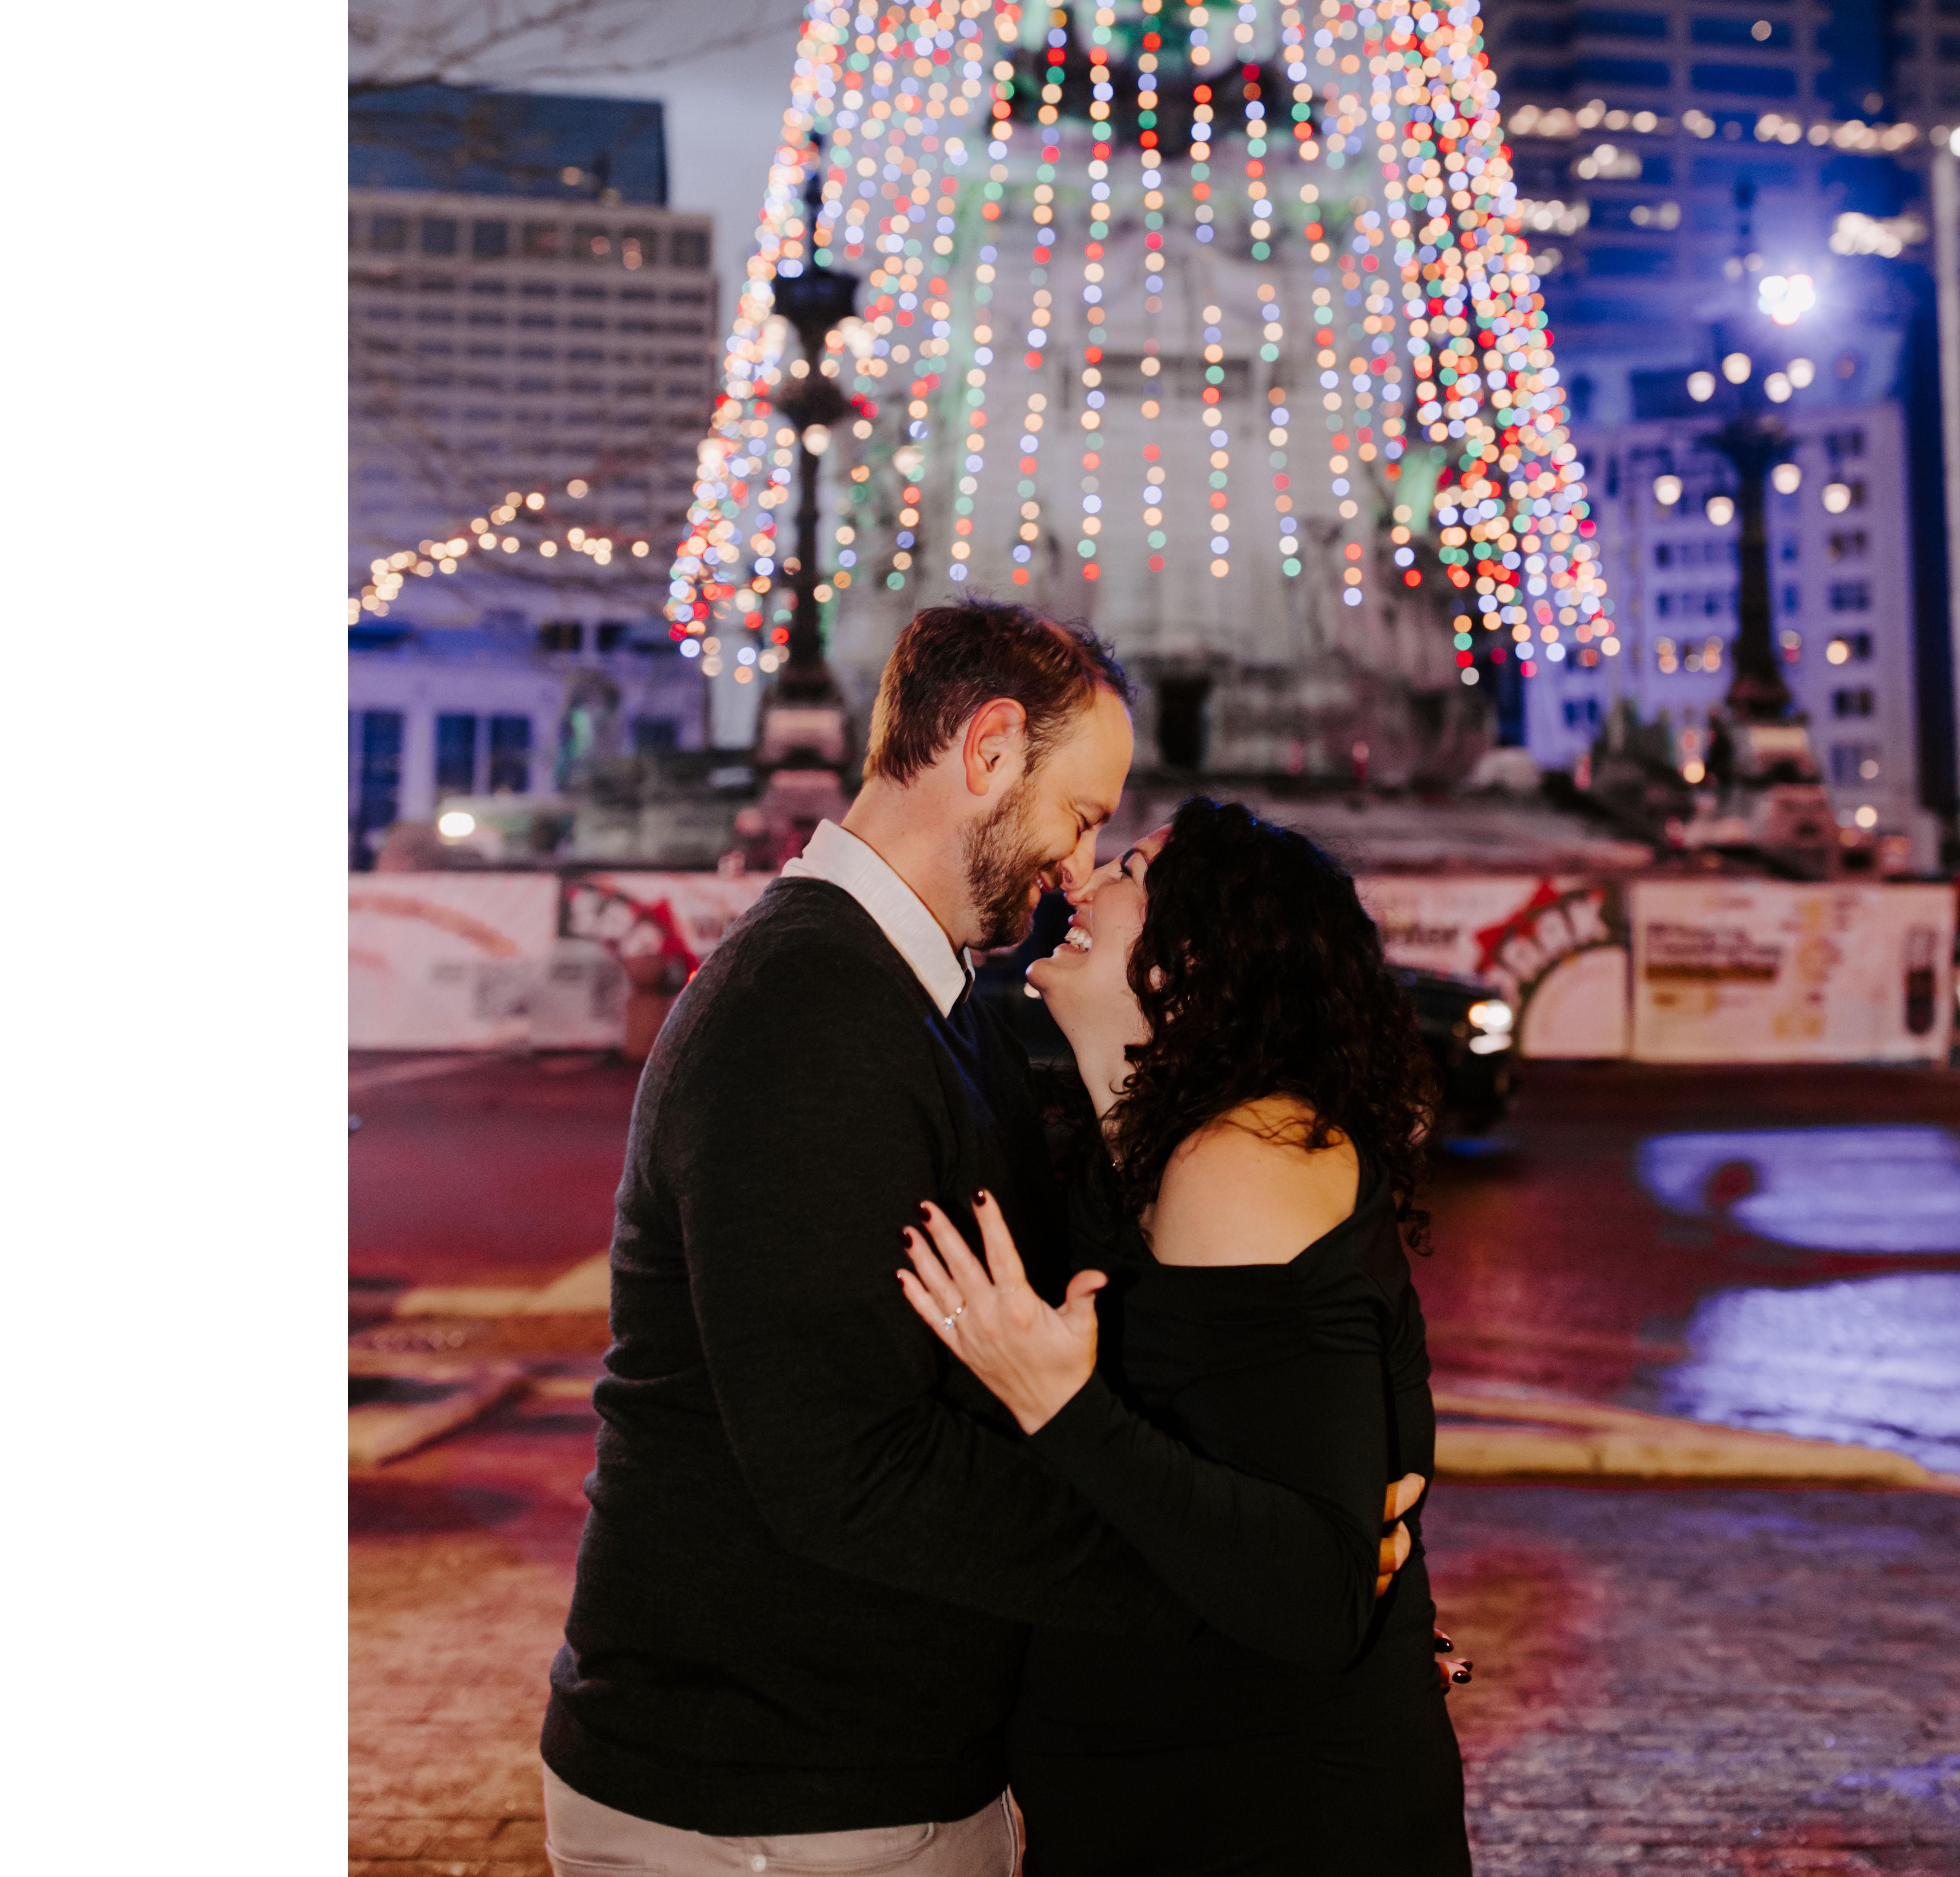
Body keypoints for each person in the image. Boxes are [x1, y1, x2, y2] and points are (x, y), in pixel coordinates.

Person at [539, 603, 1426, 1876]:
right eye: (1081, 813)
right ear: (991, 749)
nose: (1077, 864)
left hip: (843, 1778)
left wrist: (1289, 1556)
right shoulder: (808, 1009)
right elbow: (849, 1466)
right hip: (770, 1794)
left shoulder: (922, 997)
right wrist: (1240, 1592)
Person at [898, 797, 1473, 1876]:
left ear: (1194, 956)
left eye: (1130, 872)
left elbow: (1314, 1593)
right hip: (1169, 1787)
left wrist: (1061, 1406)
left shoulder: (1242, 1160)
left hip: (1267, 1810)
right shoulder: (1131, 1155)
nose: (1082, 883)